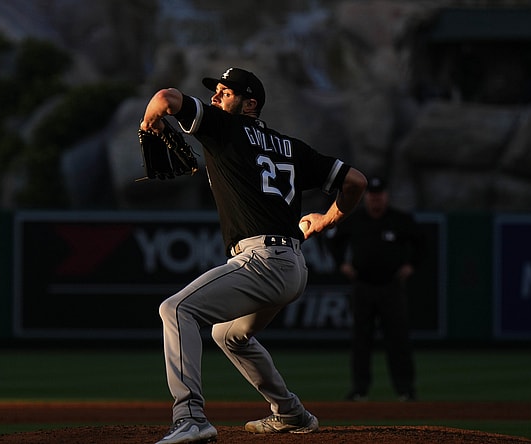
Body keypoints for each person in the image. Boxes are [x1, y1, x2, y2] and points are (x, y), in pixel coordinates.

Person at [140, 67, 367, 444]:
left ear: (250, 104)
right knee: (229, 335)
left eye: (224, 92)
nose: (215, 97)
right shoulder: (292, 147)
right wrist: (325, 220)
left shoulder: (224, 128)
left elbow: (165, 98)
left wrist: (150, 122)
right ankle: (291, 413)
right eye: (215, 92)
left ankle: (190, 417)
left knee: (176, 309)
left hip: (261, 260)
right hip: (293, 266)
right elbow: (355, 181)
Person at [327, 176, 425, 402]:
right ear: (366, 197)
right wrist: (342, 263)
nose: (375, 199)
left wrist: (411, 266)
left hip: (391, 287)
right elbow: (333, 241)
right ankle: (360, 389)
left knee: (398, 340)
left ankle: (405, 389)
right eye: (372, 195)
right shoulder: (356, 219)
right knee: (361, 341)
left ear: (386, 196)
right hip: (363, 286)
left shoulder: (399, 220)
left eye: (379, 195)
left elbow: (422, 243)